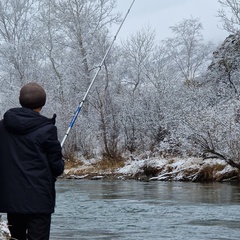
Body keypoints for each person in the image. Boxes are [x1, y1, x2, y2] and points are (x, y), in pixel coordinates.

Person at [0, 82, 64, 240]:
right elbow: (57, 168)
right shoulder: (48, 129)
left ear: (20, 101)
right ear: (43, 103)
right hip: (39, 201)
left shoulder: (2, 127)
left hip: (12, 199)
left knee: (16, 237)